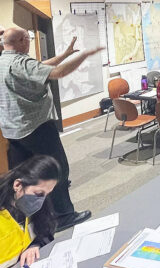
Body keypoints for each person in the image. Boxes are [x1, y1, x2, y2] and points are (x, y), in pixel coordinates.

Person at [0, 27, 102, 232]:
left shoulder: (4, 61)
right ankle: (64, 216)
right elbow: (58, 72)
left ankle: (24, 216)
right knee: (57, 169)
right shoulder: (21, 62)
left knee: (24, 175)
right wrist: (85, 55)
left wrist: (65, 54)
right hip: (36, 128)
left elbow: (41, 67)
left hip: (13, 130)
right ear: (21, 40)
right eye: (27, 39)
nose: (29, 42)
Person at [0, 155, 61, 268]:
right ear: (17, 185)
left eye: (47, 194)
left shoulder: (36, 204)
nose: (42, 200)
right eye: (39, 193)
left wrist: (35, 245)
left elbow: (47, 230)